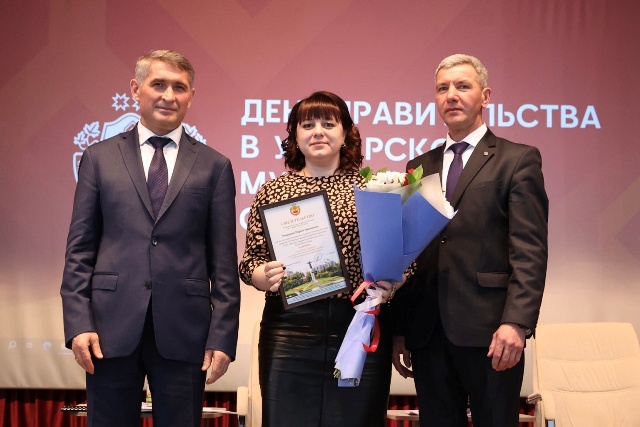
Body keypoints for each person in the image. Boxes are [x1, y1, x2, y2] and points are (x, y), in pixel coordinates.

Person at [60, 49, 240, 427]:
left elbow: (223, 263)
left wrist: (222, 336)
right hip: (108, 330)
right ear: (135, 89)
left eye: (180, 87)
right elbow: (79, 251)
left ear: (191, 96)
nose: (168, 95)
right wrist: (78, 322)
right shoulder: (98, 158)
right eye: (158, 84)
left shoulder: (215, 166)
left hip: (185, 331)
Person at [391, 54, 548, 427]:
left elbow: (529, 252)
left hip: (492, 333)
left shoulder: (518, 160)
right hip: (428, 333)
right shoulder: (418, 166)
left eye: (463, 86)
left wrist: (517, 323)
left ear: (485, 96)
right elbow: (409, 254)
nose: (451, 95)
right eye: (442, 88)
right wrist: (400, 329)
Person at [239, 91, 402, 427]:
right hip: (289, 331)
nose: (318, 132)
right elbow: (250, 261)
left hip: (357, 326)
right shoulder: (272, 190)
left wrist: (392, 284)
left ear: (346, 134)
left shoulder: (372, 189)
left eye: (329, 124)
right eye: (308, 125)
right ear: (295, 136)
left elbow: (402, 259)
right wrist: (262, 276)